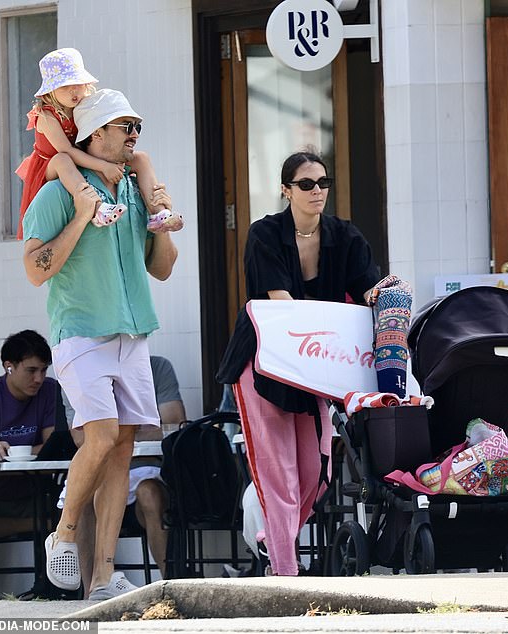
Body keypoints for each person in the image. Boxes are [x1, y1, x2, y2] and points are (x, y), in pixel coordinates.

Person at [22, 87, 178, 601]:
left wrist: (163, 225)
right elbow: (34, 270)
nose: (134, 135)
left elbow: (161, 267)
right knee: (104, 434)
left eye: (137, 126)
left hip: (133, 333)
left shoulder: (135, 188)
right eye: (124, 126)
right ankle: (63, 533)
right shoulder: (56, 191)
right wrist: (81, 217)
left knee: (123, 445)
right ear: (95, 132)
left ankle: (103, 577)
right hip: (82, 332)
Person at [217, 150, 380, 576]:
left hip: (313, 365)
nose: (317, 191)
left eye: (323, 183)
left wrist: (388, 296)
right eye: (306, 184)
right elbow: (281, 306)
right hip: (264, 364)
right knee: (279, 474)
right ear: (286, 190)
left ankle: (274, 538)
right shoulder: (265, 234)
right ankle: (285, 571)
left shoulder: (344, 237)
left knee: (316, 473)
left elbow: (369, 288)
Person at [16, 47, 182, 239]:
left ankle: (159, 212)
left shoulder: (82, 105)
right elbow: (67, 150)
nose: (74, 91)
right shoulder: (46, 115)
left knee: (141, 158)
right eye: (65, 86)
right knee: (63, 160)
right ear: (50, 91)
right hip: (51, 163)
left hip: (78, 157)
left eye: (78, 84)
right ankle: (98, 208)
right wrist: (104, 166)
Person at [59, 355, 186, 589]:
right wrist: (129, 432)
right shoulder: (77, 371)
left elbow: (173, 423)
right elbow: (80, 439)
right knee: (83, 498)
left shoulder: (156, 367)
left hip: (149, 468)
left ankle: (170, 585)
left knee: (149, 493)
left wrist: (108, 434)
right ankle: (92, 590)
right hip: (103, 469)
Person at [0, 330, 57, 537]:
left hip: (34, 493)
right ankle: (39, 525)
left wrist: (9, 453)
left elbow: (54, 445)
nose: (39, 379)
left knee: (77, 509)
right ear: (8, 366)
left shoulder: (50, 391)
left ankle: (42, 527)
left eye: (43, 370)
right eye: (31, 370)